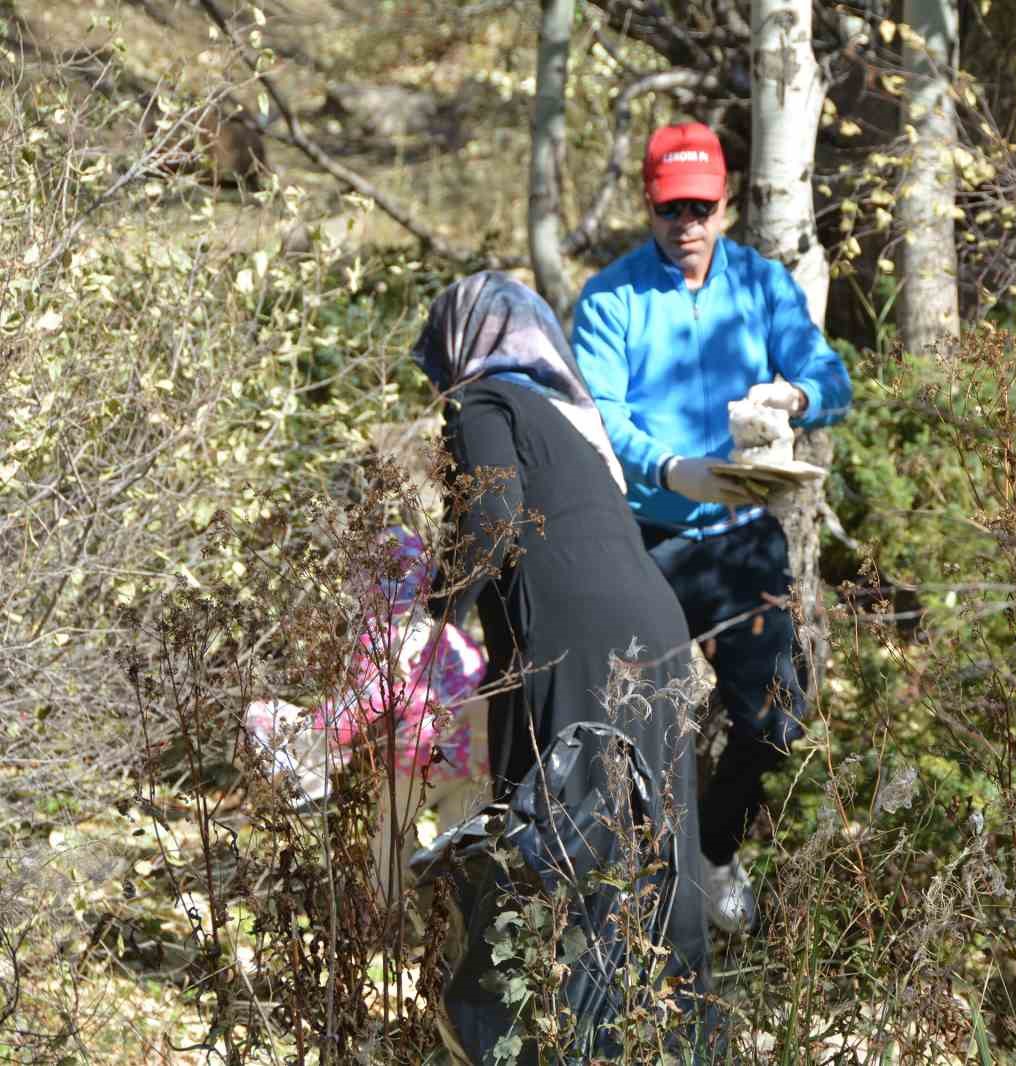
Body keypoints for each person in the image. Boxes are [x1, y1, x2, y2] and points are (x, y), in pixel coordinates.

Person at [411, 271, 713, 1057]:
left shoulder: (481, 403)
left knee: (561, 852)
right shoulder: (575, 428)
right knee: (658, 854)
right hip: (659, 636)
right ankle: (678, 1042)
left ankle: (557, 1043)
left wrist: (429, 614)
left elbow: (493, 518)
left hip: (577, 643)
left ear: (460, 346)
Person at [570, 121, 853, 933]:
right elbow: (600, 418)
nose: (686, 224)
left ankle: (713, 851)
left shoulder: (761, 286)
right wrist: (666, 468)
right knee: (622, 725)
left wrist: (793, 398)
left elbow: (830, 376)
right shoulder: (612, 296)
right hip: (640, 541)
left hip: (738, 536)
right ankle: (624, 896)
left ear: (725, 204)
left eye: (700, 206)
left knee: (777, 716)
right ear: (648, 207)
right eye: (670, 208)